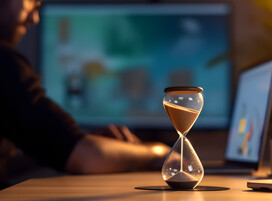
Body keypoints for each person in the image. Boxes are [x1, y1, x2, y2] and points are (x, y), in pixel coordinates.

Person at [0, 0, 170, 187]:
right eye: (32, 2)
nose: (35, 18)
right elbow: (87, 158)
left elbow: (66, 152)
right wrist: (158, 153)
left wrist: (67, 143)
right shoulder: (4, 64)